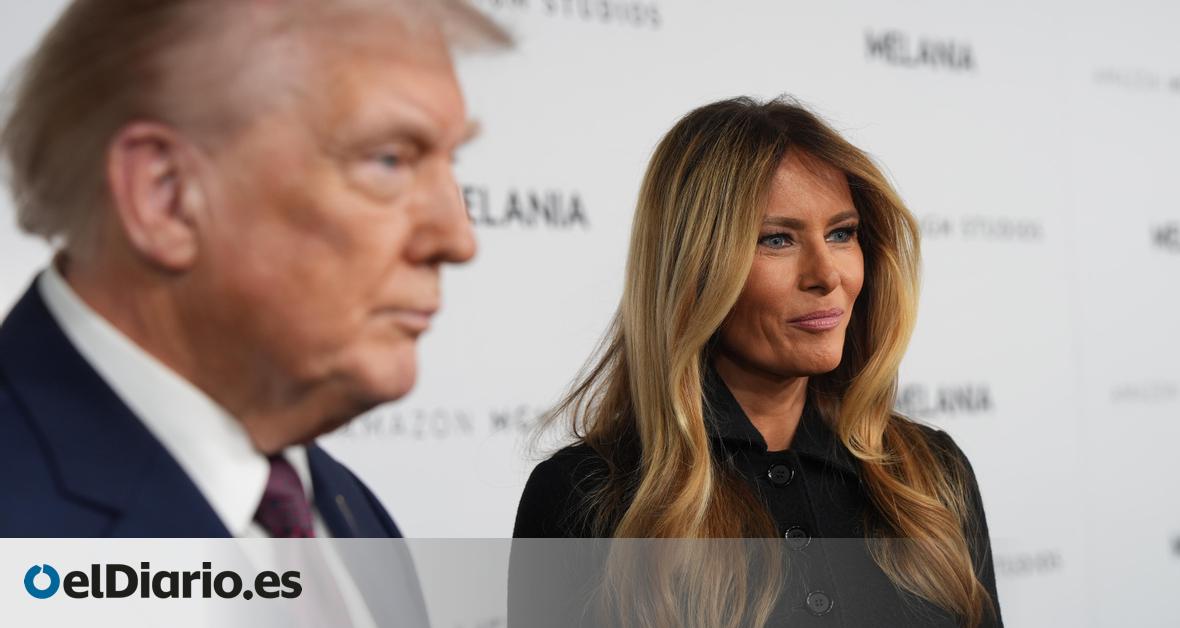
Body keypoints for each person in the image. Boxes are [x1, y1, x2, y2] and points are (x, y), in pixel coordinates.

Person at [0, 0, 508, 539]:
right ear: (165, 196)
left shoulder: (347, 512)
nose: (458, 240)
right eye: (389, 160)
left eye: (451, 162)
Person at [512, 97, 1003, 627]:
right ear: (693, 267)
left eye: (841, 233)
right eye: (777, 239)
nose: (826, 275)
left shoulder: (931, 475)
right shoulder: (581, 497)